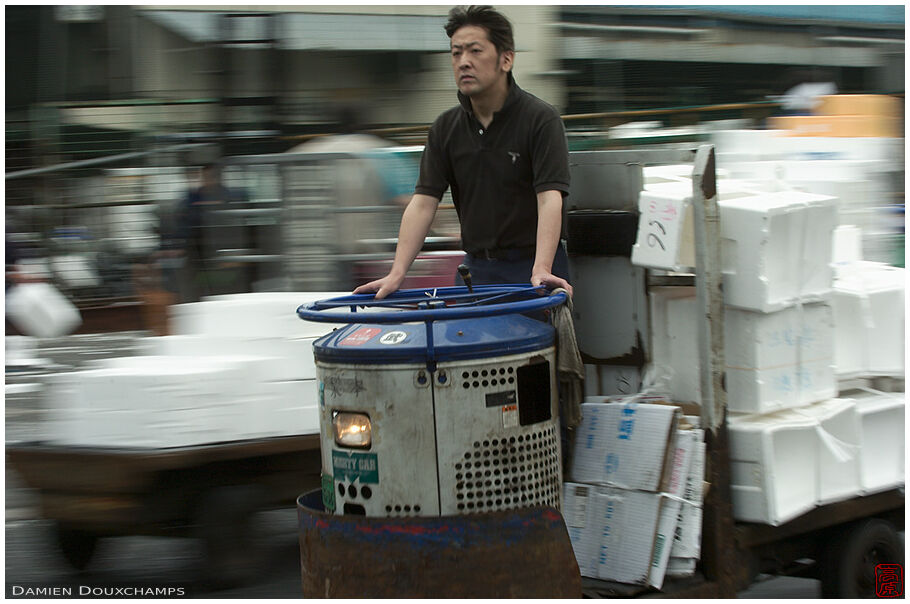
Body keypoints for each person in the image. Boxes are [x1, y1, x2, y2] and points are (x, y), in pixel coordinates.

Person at [354, 5, 573, 299]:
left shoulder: (540, 119)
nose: (463, 62)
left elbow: (549, 198)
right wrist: (397, 273)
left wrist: (542, 268)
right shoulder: (445, 128)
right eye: (456, 53)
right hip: (477, 268)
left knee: (538, 342)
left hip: (532, 267)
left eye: (475, 51)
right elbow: (422, 203)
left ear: (506, 59)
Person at [175, 163, 248, 301]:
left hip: (224, 245)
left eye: (213, 177)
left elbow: (234, 222)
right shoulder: (193, 198)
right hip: (198, 246)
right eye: (206, 177)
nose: (209, 181)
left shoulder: (228, 196)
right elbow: (184, 222)